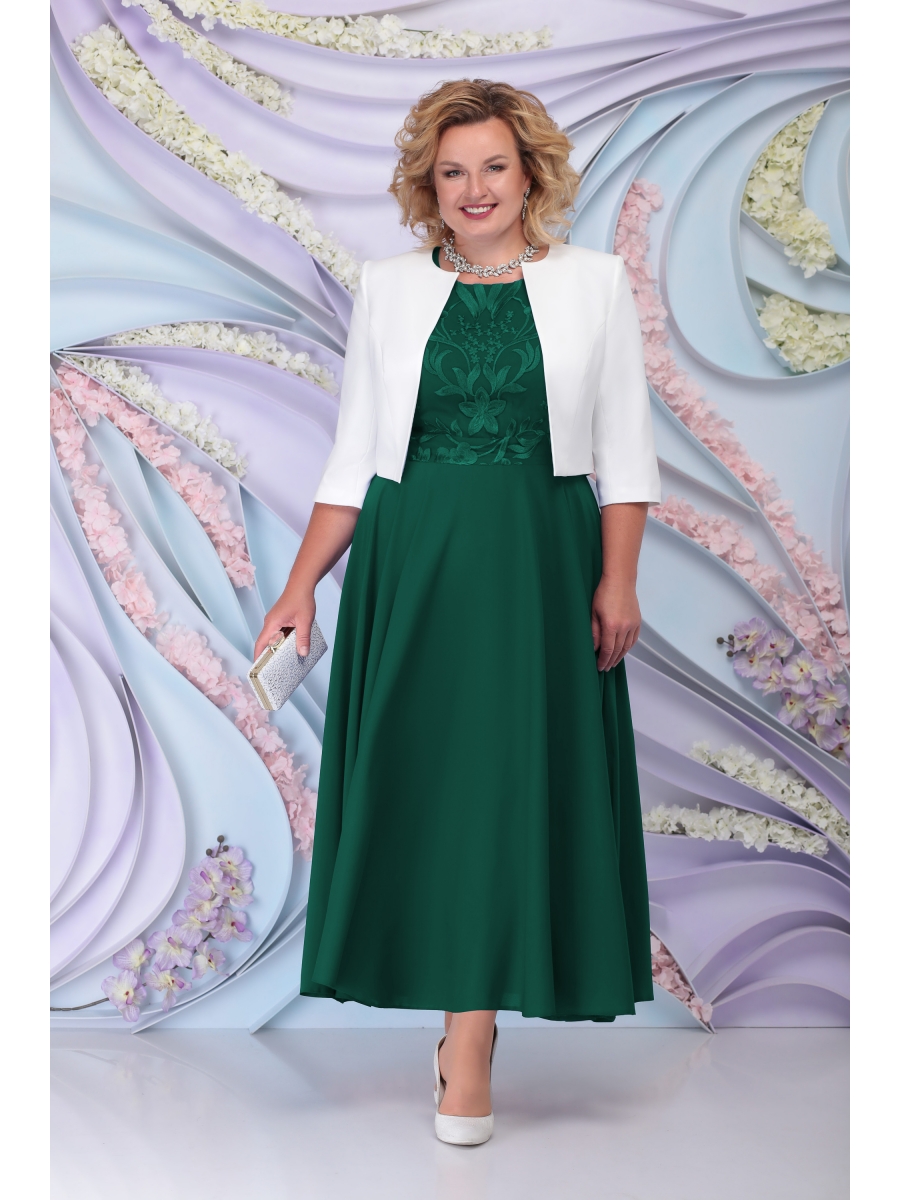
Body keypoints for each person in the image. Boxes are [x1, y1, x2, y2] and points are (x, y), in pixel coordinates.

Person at [254, 78, 661, 1146]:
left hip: (540, 562)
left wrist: (618, 580)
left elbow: (624, 455)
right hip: (415, 560)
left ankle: (468, 1044)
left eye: (493, 166)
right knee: (436, 788)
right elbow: (354, 454)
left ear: (529, 173)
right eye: (451, 172)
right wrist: (300, 586)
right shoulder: (388, 288)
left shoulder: (596, 283)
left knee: (511, 785)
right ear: (427, 186)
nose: (474, 189)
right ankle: (462, 1036)